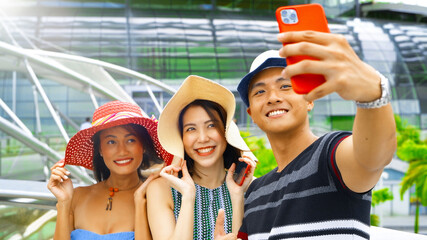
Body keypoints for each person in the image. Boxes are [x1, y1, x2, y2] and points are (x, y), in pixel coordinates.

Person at [235, 31, 397, 239]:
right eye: (259, 92)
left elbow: (373, 157)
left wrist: (372, 95)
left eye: (285, 86)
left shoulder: (329, 155)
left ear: (310, 99)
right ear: (251, 114)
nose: (273, 97)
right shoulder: (256, 191)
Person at [147, 76, 256, 240]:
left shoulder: (252, 187)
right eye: (191, 129)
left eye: (211, 125)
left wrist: (238, 197)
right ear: (181, 137)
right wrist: (188, 196)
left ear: (226, 131)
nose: (203, 138)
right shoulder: (162, 189)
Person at [47, 101, 173, 240]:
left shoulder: (155, 199)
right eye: (111, 142)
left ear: (143, 146)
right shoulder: (76, 197)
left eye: (130, 140)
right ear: (100, 149)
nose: (122, 151)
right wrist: (63, 203)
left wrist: (139, 203)